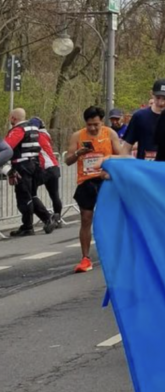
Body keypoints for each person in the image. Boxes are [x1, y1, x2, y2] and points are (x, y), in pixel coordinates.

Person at [64, 106, 122, 272]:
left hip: (105, 180)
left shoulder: (110, 133)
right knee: (86, 218)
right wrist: (78, 153)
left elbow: (120, 155)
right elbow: (68, 160)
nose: (93, 128)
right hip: (86, 182)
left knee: (110, 217)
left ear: (101, 122)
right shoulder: (78, 136)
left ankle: (114, 253)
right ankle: (85, 258)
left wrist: (107, 159)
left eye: (96, 124)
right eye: (89, 124)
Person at [4, 107, 55, 236]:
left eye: (10, 118)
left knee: (23, 195)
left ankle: (27, 226)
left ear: (13, 118)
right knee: (32, 194)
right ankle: (47, 218)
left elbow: (6, 147)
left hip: (22, 166)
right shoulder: (33, 129)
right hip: (35, 164)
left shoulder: (18, 130)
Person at [124, 79, 165, 160]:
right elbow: (126, 148)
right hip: (144, 170)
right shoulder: (139, 116)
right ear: (152, 94)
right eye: (157, 98)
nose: (161, 103)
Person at [28, 117, 64, 228]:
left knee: (30, 193)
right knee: (54, 195)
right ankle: (57, 218)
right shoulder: (46, 135)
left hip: (44, 168)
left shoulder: (33, 136)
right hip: (54, 166)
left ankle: (46, 218)